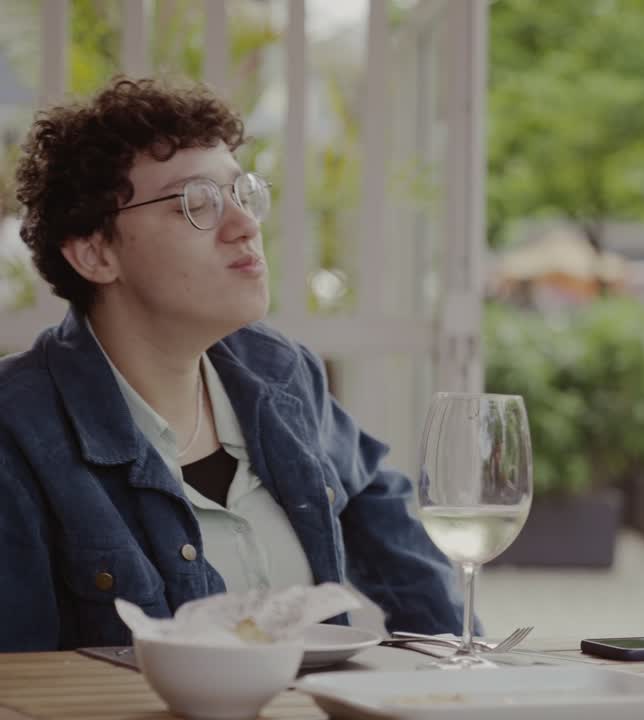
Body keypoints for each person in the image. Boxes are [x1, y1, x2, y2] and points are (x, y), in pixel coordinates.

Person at [0, 77, 464, 650]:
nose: (245, 225)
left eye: (242, 195)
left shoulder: (277, 371)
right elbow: (21, 684)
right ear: (96, 253)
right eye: (196, 204)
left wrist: (454, 662)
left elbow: (375, 497)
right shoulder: (18, 433)